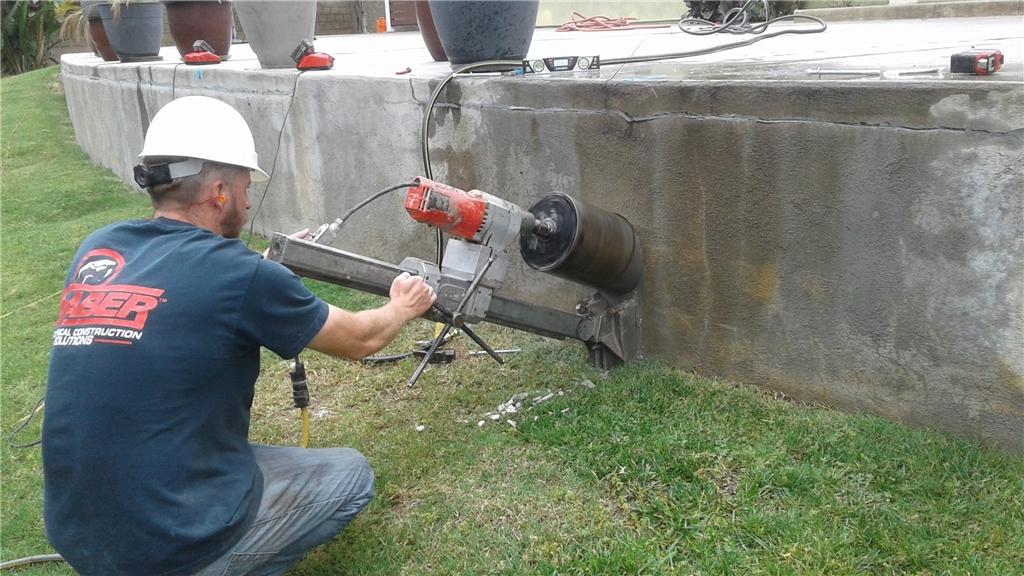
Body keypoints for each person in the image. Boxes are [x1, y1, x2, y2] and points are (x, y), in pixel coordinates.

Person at [42, 96, 436, 576]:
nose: (249, 203)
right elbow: (359, 339)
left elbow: (188, 293)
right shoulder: (238, 274)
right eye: (245, 188)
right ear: (219, 192)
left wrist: (260, 276)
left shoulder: (98, 249)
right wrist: (402, 306)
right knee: (349, 473)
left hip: (79, 533)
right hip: (165, 548)